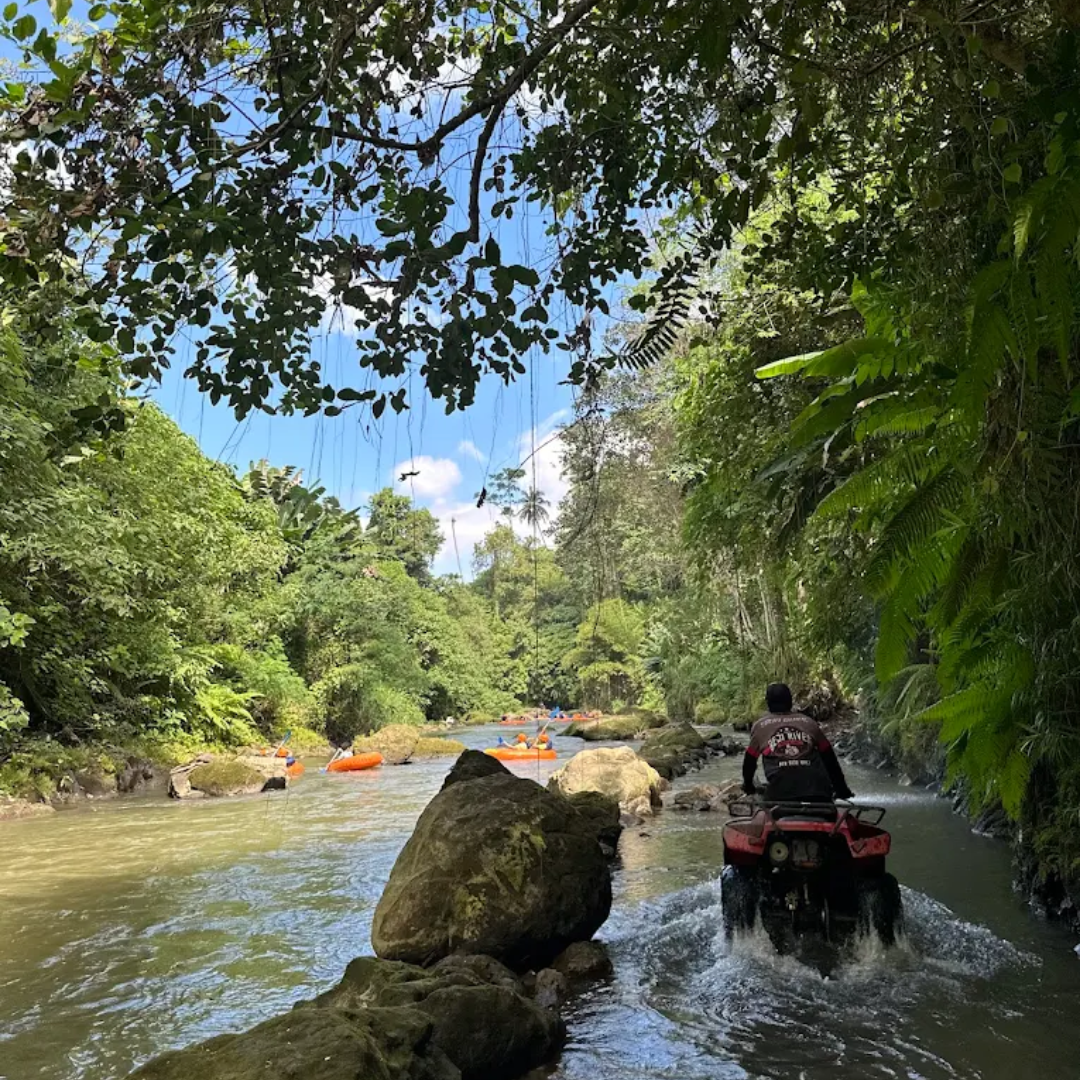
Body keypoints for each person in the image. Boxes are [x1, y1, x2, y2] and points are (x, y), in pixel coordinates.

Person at [741, 683, 853, 802]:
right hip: (818, 791)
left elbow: (750, 762)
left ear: (768, 702)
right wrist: (842, 789)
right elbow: (830, 759)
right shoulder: (809, 723)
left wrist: (748, 787)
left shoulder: (759, 727)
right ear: (790, 701)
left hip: (780, 793)